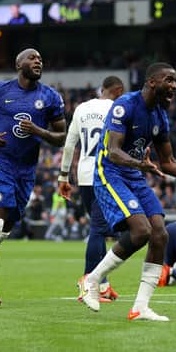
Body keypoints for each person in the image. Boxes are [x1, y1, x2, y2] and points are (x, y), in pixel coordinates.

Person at [79, 62, 176, 321]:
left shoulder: (160, 115)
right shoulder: (125, 106)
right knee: (141, 231)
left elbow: (168, 162)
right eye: (169, 80)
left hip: (134, 173)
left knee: (160, 234)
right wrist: (139, 164)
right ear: (152, 82)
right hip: (110, 172)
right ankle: (92, 279)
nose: (174, 86)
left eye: (175, 81)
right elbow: (113, 152)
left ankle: (140, 306)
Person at [0, 48, 66, 307]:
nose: (38, 61)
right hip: (0, 165)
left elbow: (61, 137)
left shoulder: (50, 97)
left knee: (5, 229)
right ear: (19, 64)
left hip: (26, 171)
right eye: (32, 58)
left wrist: (38, 131)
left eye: (40, 59)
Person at [57, 75, 125, 303]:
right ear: (119, 90)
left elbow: (69, 144)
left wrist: (63, 175)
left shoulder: (82, 109)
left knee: (101, 229)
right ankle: (88, 283)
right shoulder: (118, 109)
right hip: (105, 175)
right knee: (99, 229)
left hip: (84, 175)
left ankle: (103, 284)